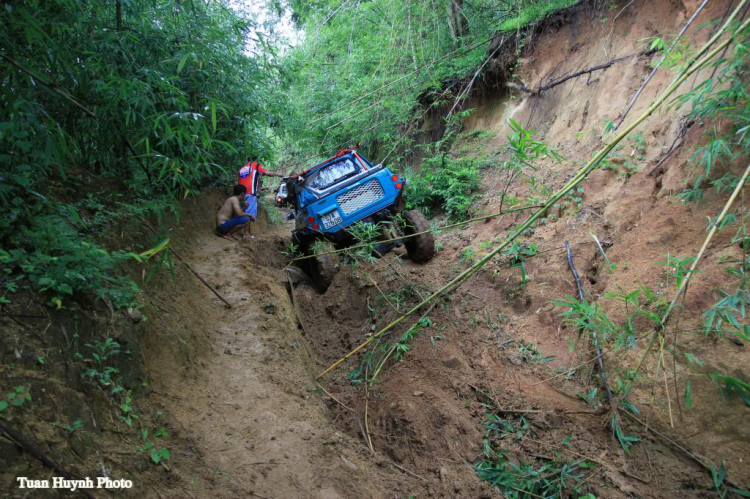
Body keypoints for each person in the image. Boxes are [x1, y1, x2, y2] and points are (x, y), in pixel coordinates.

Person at [237, 159, 285, 239]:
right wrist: (278, 174)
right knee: (249, 214)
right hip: (250, 192)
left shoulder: (242, 168)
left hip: (240, 193)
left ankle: (248, 233)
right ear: (255, 159)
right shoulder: (255, 165)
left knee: (244, 211)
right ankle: (246, 234)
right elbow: (266, 173)